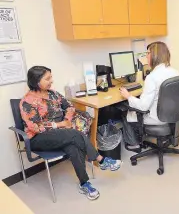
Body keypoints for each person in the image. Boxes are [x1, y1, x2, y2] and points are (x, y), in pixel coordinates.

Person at [19, 66, 122, 201]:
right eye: (47, 78)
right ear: (36, 81)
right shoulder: (27, 101)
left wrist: (67, 120)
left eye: (51, 77)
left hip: (60, 133)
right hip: (38, 138)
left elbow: (69, 106)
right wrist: (59, 125)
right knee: (73, 134)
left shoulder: (53, 94)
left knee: (73, 144)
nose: (51, 81)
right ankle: (100, 160)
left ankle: (84, 183)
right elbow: (35, 127)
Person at [119, 41, 179, 151]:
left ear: (154, 56)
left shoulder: (152, 77)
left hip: (156, 118)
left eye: (148, 53)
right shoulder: (176, 72)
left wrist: (128, 96)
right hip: (172, 115)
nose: (146, 56)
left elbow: (143, 106)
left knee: (124, 110)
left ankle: (134, 144)